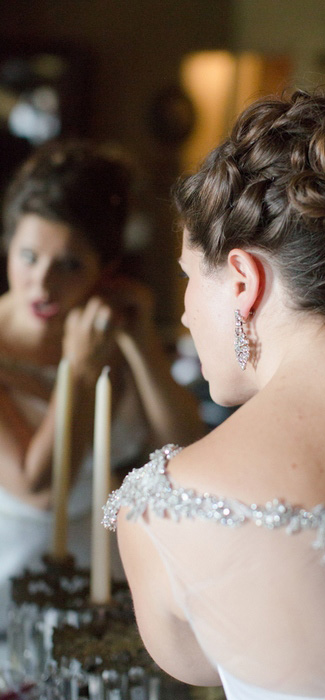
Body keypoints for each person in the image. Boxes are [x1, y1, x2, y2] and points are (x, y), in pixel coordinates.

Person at [104, 87, 325, 700]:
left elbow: (198, 667)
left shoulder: (165, 514)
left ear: (244, 279)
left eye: (191, 278)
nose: (188, 315)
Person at [0, 138, 203, 627]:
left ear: (104, 269)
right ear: (8, 245)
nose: (43, 284)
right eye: (28, 257)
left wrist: (141, 341)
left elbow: (186, 450)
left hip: (108, 573)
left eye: (69, 265)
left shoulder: (110, 331)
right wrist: (80, 373)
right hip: (15, 582)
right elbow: (40, 488)